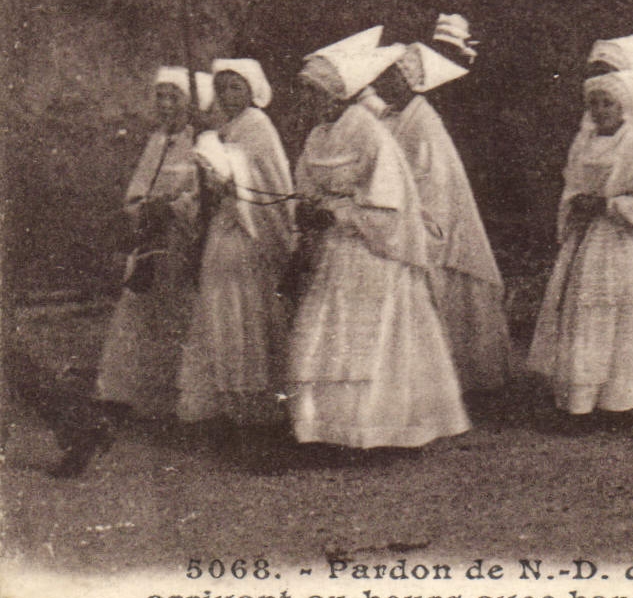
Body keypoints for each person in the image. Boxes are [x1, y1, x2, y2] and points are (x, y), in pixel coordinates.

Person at [286, 40, 470, 450]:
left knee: (373, 336)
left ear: (337, 92)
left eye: (313, 92)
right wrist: (306, 210)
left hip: (372, 251)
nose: (307, 101)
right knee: (329, 335)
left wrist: (337, 215)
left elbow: (388, 205)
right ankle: (328, 430)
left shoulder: (369, 131)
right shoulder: (319, 135)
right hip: (335, 251)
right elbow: (305, 186)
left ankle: (378, 429)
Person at [525, 69, 633, 416]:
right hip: (589, 236)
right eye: (594, 104)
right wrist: (577, 202)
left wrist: (610, 204)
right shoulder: (585, 141)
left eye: (608, 103)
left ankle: (627, 399)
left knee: (627, 315)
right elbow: (572, 184)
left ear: (623, 107)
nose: (601, 110)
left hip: (624, 237)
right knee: (587, 309)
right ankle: (583, 398)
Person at [373, 42, 509, 393]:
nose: (383, 82)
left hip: (428, 217)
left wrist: (416, 223)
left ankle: (448, 384)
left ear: (410, 80)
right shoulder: (387, 116)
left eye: (392, 75)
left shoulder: (424, 123)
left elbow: (435, 182)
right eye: (381, 74)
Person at [176, 58, 296, 447]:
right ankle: (224, 403)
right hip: (224, 230)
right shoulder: (225, 128)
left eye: (235, 88)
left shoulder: (257, 127)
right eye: (222, 87)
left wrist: (217, 158)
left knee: (243, 310)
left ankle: (256, 407)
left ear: (251, 91)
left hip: (248, 233)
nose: (227, 95)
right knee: (219, 311)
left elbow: (254, 181)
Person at [96, 67, 205, 421]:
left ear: (190, 104)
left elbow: (200, 194)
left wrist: (173, 207)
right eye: (160, 96)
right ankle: (124, 394)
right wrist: (142, 208)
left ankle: (178, 395)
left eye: (174, 97)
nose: (166, 104)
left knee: (178, 310)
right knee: (138, 308)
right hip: (149, 235)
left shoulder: (199, 141)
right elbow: (137, 188)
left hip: (179, 238)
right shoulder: (156, 140)